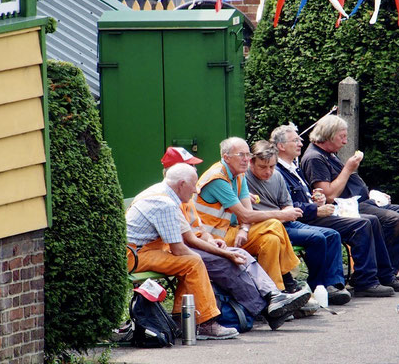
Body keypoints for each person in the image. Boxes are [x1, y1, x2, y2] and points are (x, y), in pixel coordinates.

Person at [159, 150, 310, 330]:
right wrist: (222, 250)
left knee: (264, 242)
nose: (195, 169)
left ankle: (275, 295)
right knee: (227, 262)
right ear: (176, 173)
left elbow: (199, 228)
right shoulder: (173, 198)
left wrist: (237, 232)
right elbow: (186, 241)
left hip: (212, 238)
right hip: (183, 248)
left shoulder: (188, 194)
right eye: (190, 166)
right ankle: (267, 306)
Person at [271, 125, 399, 297]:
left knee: (372, 220)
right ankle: (364, 281)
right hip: (304, 219)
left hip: (313, 213)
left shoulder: (293, 166)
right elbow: (286, 205)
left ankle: (380, 276)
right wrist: (315, 208)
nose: (301, 143)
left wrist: (315, 198)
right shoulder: (278, 170)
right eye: (295, 140)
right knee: (361, 224)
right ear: (281, 146)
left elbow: (301, 198)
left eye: (299, 139)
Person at [300, 114, 399, 279]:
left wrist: (372, 193)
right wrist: (349, 168)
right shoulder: (315, 158)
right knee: (392, 220)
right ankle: (378, 273)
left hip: (363, 201)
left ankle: (388, 271)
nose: (345, 141)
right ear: (327, 135)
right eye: (341, 137)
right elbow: (328, 195)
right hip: (345, 207)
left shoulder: (329, 153)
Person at [126, 164, 238, 340]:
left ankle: (181, 319)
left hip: (139, 251)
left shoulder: (160, 191)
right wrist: (202, 259)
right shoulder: (165, 203)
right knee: (193, 263)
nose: (196, 190)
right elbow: (178, 249)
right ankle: (205, 322)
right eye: (193, 185)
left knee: (191, 263)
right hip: (135, 255)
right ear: (182, 184)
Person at [245, 140, 353, 304]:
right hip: (266, 227)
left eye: (272, 167)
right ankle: (317, 285)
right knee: (316, 238)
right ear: (251, 162)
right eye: (263, 167)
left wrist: (290, 211)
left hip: (285, 221)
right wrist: (284, 214)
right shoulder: (244, 179)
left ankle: (332, 285)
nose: (268, 172)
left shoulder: (277, 176)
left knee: (332, 235)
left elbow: (287, 204)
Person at [194, 137, 300, 292]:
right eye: (241, 155)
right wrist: (282, 214)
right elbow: (246, 215)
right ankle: (288, 281)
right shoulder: (217, 178)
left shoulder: (239, 174)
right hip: (212, 239)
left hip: (230, 231)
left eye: (247, 155)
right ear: (226, 157)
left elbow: (247, 214)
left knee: (271, 240)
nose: (246, 159)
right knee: (275, 223)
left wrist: (244, 230)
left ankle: (275, 292)